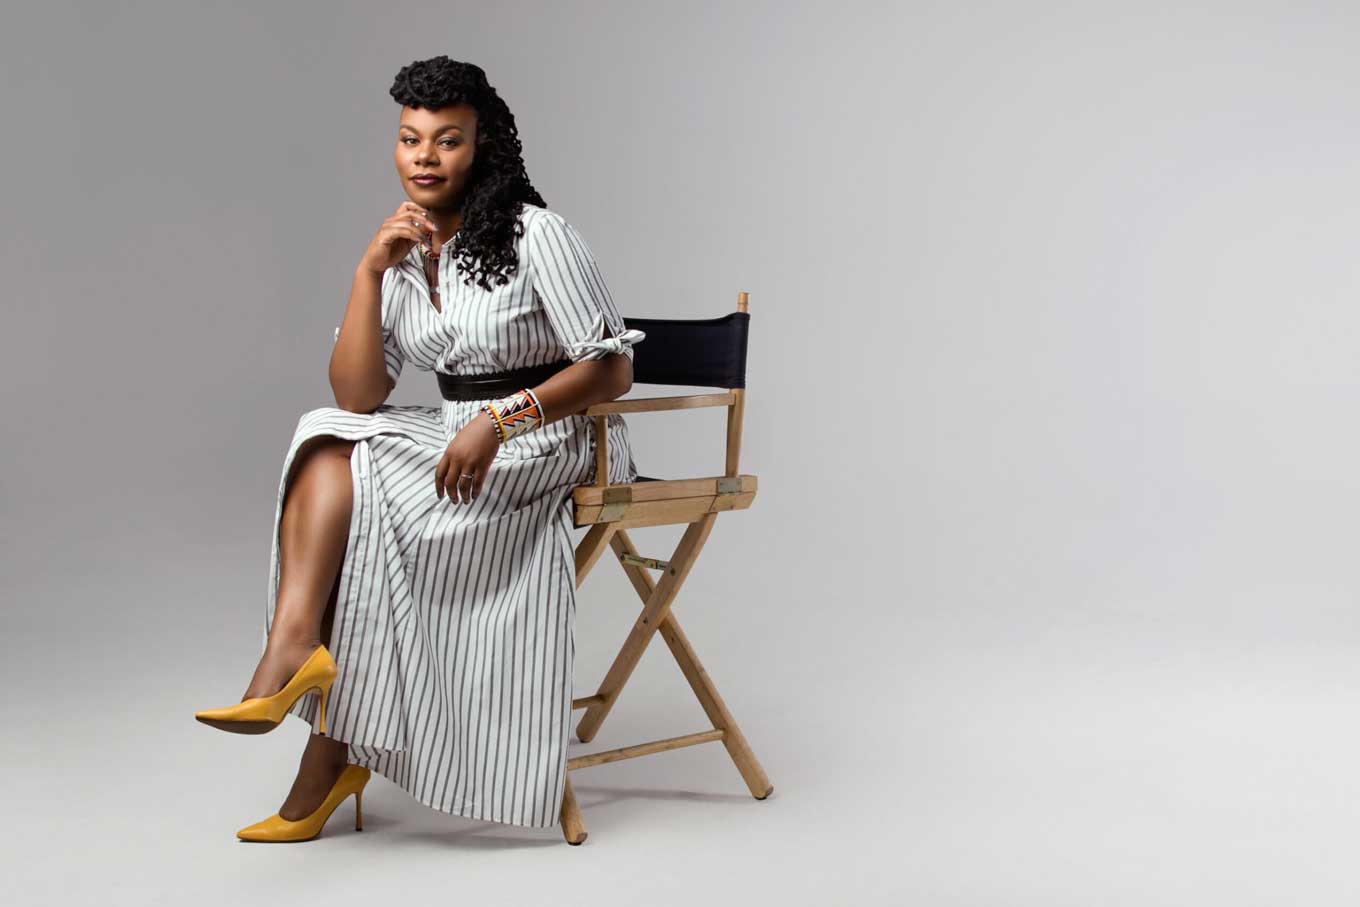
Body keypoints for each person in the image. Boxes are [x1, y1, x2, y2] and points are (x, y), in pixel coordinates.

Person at [194, 55, 646, 841]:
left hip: (555, 437)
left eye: (448, 140)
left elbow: (613, 367)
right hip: (455, 434)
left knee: (367, 504)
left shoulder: (539, 235)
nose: (426, 158)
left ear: (483, 148)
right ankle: (294, 647)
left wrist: (502, 420)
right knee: (326, 437)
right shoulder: (405, 248)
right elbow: (357, 395)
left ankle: (327, 754)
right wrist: (370, 274)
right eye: (411, 140)